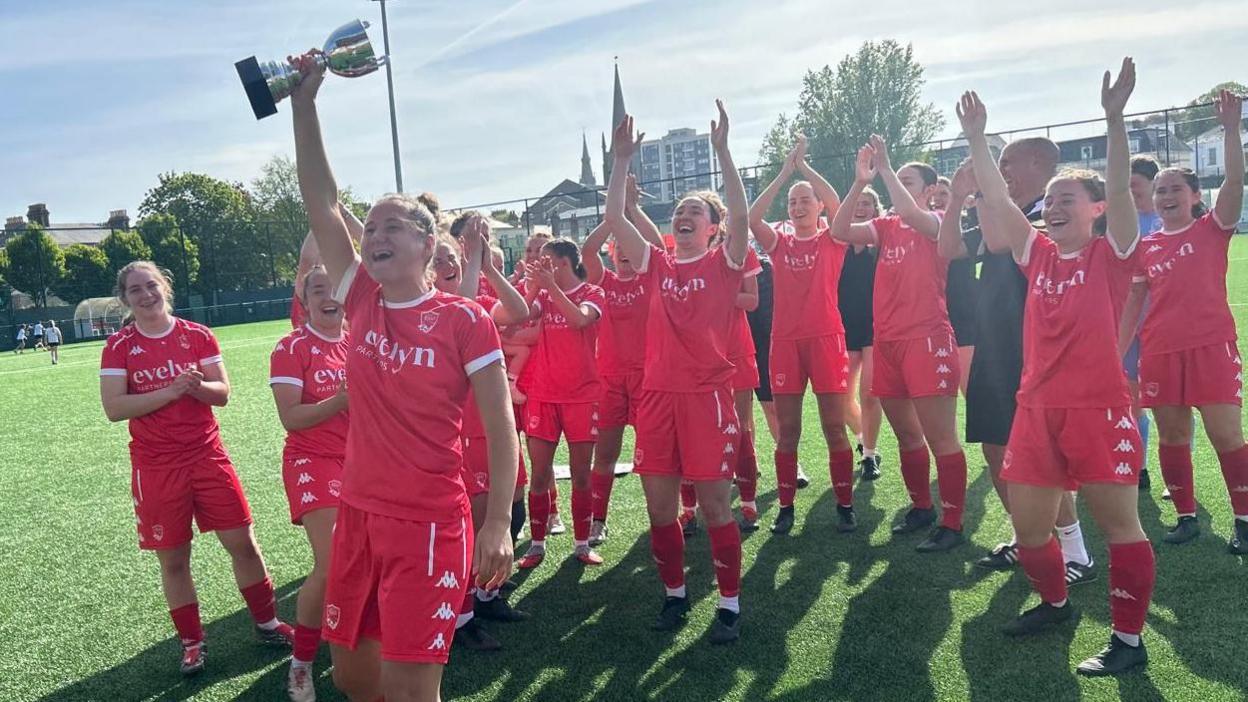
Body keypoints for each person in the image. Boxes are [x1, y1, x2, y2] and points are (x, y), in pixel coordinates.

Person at [290, 51, 517, 702]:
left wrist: (497, 520)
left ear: (427, 244)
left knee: (410, 690)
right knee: (358, 683)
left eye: (393, 223)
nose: (375, 232)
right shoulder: (361, 298)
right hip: (359, 518)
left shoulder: (462, 320)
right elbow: (321, 199)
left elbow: (501, 425)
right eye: (372, 226)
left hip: (427, 526)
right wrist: (305, 104)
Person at [961, 58, 1155, 676]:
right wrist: (974, 141)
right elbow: (996, 197)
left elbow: (1121, 188)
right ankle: (1056, 600)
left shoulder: (1113, 254)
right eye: (1047, 201)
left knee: (1118, 524)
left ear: (1095, 209)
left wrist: (1115, 118)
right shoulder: (1037, 255)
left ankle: (1128, 640)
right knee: (1029, 526)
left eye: (1065, 199)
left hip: (1098, 408)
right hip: (1035, 410)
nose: (1052, 208)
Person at [100, 261, 293, 677]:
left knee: (243, 542)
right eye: (135, 290)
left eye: (151, 285)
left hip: (208, 457)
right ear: (125, 299)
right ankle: (192, 643)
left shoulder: (197, 335)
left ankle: (267, 622)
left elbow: (221, 393)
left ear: (165, 287)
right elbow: (114, 407)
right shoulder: (119, 345)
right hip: (155, 467)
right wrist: (170, 390)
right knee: (174, 560)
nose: (146, 295)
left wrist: (197, 387)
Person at [605, 105, 748, 643]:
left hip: (707, 398)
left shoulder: (724, 261)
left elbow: (741, 212)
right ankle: (674, 596)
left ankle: (729, 604)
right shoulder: (658, 264)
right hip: (658, 397)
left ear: (713, 229)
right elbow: (617, 219)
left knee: (714, 505)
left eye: (695, 211)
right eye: (679, 211)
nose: (683, 215)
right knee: (659, 507)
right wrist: (621, 161)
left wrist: (724, 153)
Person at [943, 135, 1096, 582]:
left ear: (1036, 162)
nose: (1001, 169)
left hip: (1038, 348)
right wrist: (957, 200)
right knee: (996, 444)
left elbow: (995, 241)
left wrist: (981, 190)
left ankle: (1076, 552)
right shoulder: (1002, 208)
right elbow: (949, 249)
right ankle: (1029, 536)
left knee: (1038, 454)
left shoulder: (1052, 216)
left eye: (1005, 161)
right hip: (995, 342)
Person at [829, 136, 969, 553]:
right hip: (886, 340)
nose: (897, 186)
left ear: (929, 190)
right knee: (907, 435)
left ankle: (954, 522)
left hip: (927, 337)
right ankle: (922, 507)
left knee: (940, 436)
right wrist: (858, 182)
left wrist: (887, 168)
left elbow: (909, 209)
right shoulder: (887, 226)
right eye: (896, 178)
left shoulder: (940, 220)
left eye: (908, 180)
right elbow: (838, 230)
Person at [1121, 89, 1246, 553]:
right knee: (1172, 435)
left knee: (1226, 434)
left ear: (1195, 196)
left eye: (1176, 188)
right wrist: (1116, 355)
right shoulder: (1146, 246)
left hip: (1211, 346)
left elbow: (1234, 182)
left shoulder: (1211, 229)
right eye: (1161, 190)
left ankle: (1244, 517)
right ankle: (1186, 515)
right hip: (1159, 352)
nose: (1166, 195)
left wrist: (1231, 130)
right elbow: (1134, 305)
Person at [428, 226, 533, 652]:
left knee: (515, 505)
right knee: (474, 519)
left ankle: (487, 595)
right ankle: (463, 615)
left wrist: (488, 265)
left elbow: (520, 310)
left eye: (453, 256)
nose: (449, 265)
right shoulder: (435, 311)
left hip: (493, 425)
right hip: (463, 429)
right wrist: (472, 260)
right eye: (439, 259)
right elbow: (465, 304)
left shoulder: (477, 304)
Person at [748, 135, 857, 535]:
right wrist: (783, 175)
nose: (797, 206)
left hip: (827, 339)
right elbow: (753, 217)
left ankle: (845, 504)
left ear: (819, 207)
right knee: (788, 430)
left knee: (833, 427)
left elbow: (838, 201)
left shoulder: (833, 238)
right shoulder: (780, 243)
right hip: (785, 344)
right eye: (793, 202)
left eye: (804, 200)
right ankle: (786, 505)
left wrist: (806, 168)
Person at [269, 264, 351, 701]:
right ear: (304, 300)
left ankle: (347, 641)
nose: (328, 294)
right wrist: (341, 400)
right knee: (333, 559)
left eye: (334, 285)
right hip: (312, 459)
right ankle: (301, 664)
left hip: (361, 461)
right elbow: (292, 417)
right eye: (318, 288)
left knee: (362, 557)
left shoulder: (360, 341)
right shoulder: (291, 347)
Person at [515, 237, 606, 568]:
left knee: (582, 474)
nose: (538, 265)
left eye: (545, 260)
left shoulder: (592, 293)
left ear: (563, 263)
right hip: (543, 395)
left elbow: (579, 319)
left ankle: (582, 544)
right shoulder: (543, 293)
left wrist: (549, 287)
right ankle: (536, 544)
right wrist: (531, 287)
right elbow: (520, 316)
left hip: (582, 397)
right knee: (540, 474)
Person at [582, 175, 662, 545]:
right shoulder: (605, 283)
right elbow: (586, 251)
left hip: (649, 380)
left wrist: (631, 210)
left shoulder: (651, 279)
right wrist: (611, 219)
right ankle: (598, 520)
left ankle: (673, 515)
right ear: (612, 253)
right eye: (618, 249)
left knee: (655, 456)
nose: (625, 254)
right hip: (611, 380)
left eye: (629, 249)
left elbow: (657, 245)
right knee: (606, 455)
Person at [1117, 155, 1162, 492]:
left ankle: (1179, 474)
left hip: (1162, 328)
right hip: (1127, 327)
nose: (1130, 192)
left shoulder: (1165, 222)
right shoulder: (1120, 224)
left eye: (1135, 185)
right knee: (1131, 402)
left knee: (1167, 405)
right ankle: (1140, 468)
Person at [839, 187, 885, 480]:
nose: (860, 208)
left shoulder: (879, 245)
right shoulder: (836, 245)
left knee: (869, 395)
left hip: (873, 326)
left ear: (874, 210)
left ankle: (869, 455)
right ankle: (862, 437)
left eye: (866, 204)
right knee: (840, 398)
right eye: (855, 203)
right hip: (842, 327)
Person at [936, 176, 977, 395]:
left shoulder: (967, 226)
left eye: (944, 193)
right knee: (935, 390)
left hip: (962, 310)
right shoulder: (919, 227)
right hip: (932, 313)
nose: (938, 199)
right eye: (934, 194)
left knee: (969, 387)